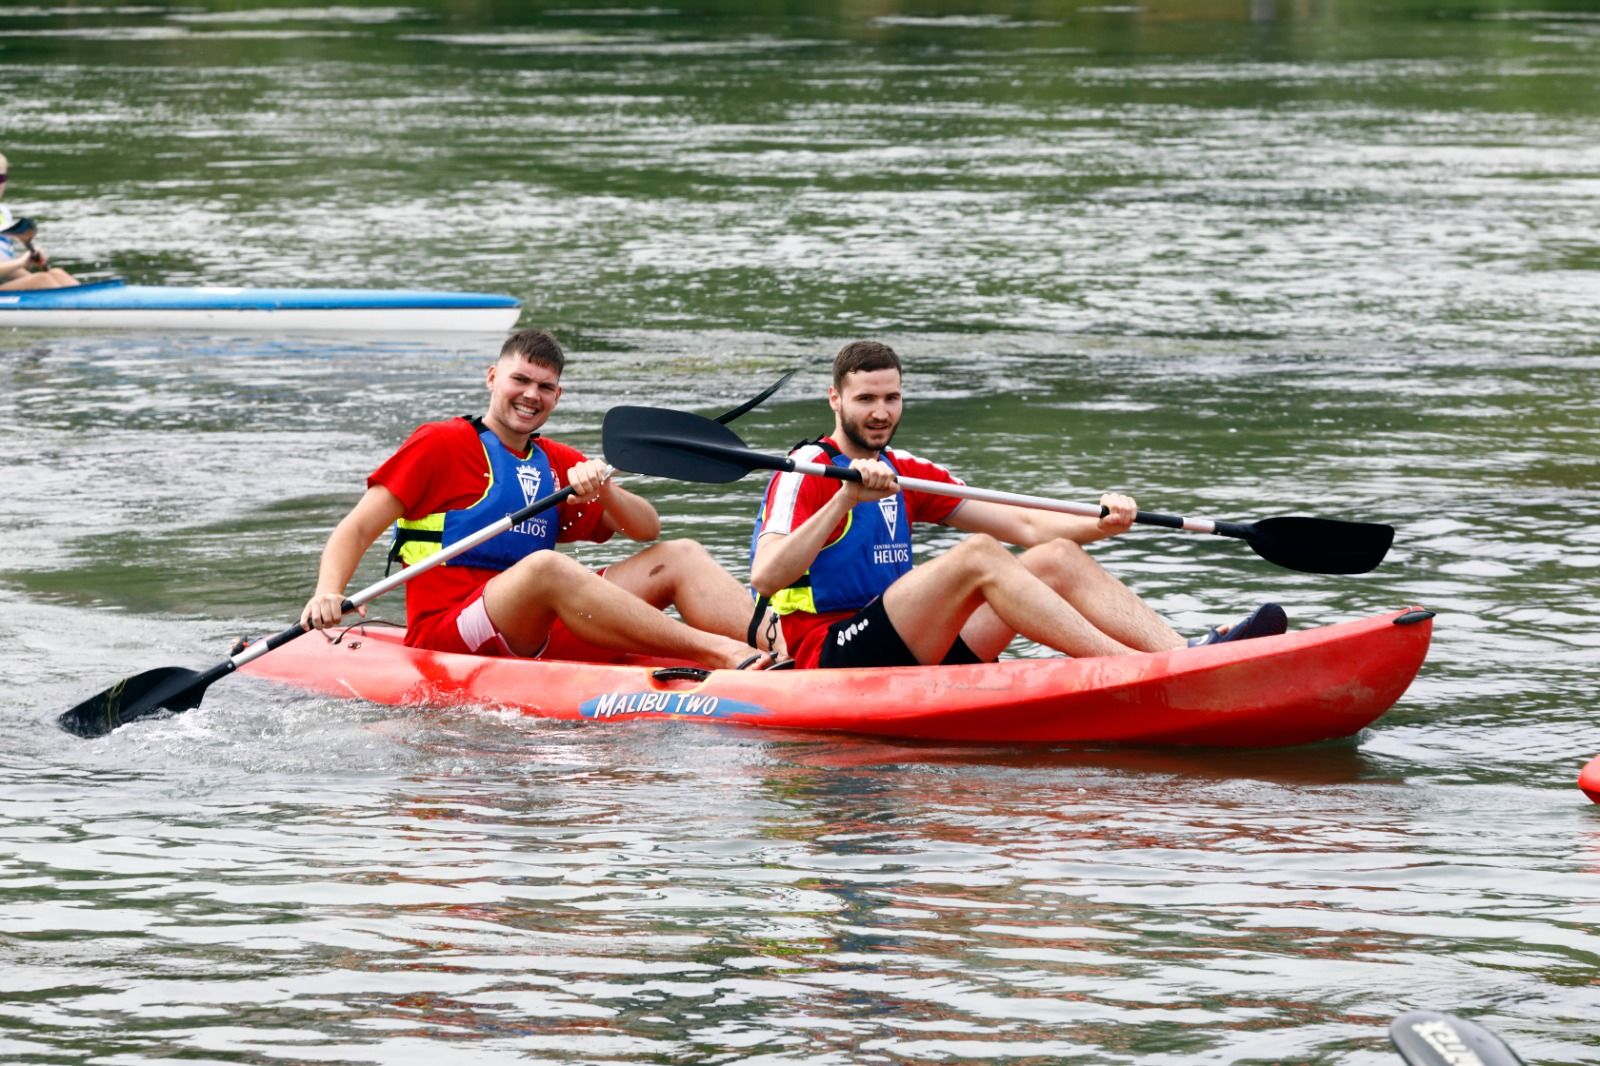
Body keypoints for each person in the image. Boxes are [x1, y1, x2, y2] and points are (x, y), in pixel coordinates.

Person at [749, 341, 1286, 671]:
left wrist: (1103, 523)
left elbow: (1026, 524)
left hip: (907, 640)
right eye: (866, 399)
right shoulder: (805, 472)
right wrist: (846, 495)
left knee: (1054, 555)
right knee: (978, 554)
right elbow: (767, 578)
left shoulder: (907, 469)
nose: (881, 411)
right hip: (831, 651)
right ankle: (1138, 669)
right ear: (836, 399)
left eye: (891, 398)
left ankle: (1185, 655)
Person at [301, 329, 778, 671]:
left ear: (558, 395)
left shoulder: (557, 460)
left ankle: (784, 648)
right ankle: (717, 651)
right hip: (449, 633)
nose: (531, 395)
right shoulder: (440, 442)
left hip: (541, 629)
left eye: (545, 387)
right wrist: (328, 591)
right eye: (520, 380)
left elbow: (647, 529)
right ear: (493, 377)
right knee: (545, 568)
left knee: (682, 554)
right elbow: (358, 527)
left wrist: (604, 486)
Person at [0, 152, 79, 291]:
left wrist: (29, 272)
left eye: (0, 178)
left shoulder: (3, 213)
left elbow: (6, 265)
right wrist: (20, 263)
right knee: (42, 280)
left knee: (56, 274)